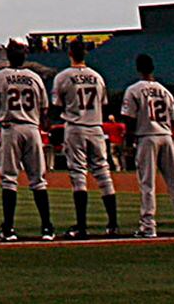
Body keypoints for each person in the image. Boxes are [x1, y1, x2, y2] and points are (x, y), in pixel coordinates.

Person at [51, 38, 119, 239]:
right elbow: (104, 103)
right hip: (96, 126)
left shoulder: (63, 76)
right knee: (103, 172)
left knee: (78, 174)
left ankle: (81, 225)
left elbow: (57, 105)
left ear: (70, 53)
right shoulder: (97, 77)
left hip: (76, 127)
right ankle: (113, 224)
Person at [0, 38, 55, 242]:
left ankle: (8, 229)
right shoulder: (34, 78)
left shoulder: (0, 77)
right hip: (32, 128)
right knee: (38, 180)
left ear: (8, 57)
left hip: (11, 128)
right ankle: (47, 227)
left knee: (9, 179)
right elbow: (45, 109)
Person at [122, 54, 174, 238]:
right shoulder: (164, 90)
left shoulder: (133, 90)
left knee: (147, 183)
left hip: (147, 137)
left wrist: (129, 141)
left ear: (138, 68)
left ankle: (148, 225)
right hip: (166, 136)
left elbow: (129, 118)